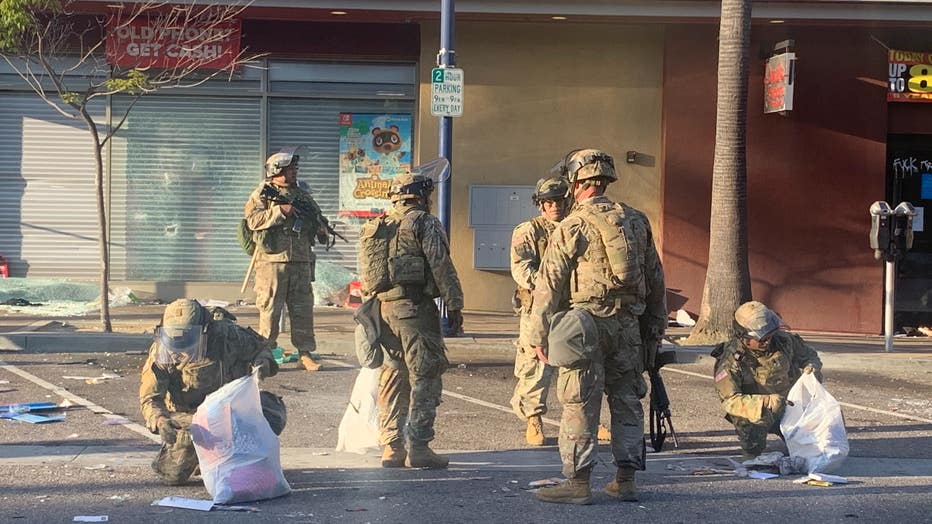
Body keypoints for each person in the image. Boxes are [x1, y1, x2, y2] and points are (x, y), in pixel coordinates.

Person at [528, 149, 667, 504]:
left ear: (576, 183)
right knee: (626, 402)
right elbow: (655, 279)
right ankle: (626, 480)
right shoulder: (636, 221)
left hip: (585, 325)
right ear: (605, 180)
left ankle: (577, 484)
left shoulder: (572, 225)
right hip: (628, 327)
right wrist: (654, 327)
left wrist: (536, 335)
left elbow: (549, 284)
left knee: (579, 403)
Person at [358, 170, 464, 469]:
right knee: (425, 376)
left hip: (382, 310)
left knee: (392, 375)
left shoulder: (379, 224)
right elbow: (441, 264)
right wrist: (455, 304)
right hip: (414, 310)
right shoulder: (423, 222)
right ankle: (419, 446)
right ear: (421, 196)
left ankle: (391, 446)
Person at [139, 299, 285, 485]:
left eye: (189, 338)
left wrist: (262, 364)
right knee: (173, 475)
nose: (182, 348)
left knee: (272, 412)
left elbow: (262, 350)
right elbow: (150, 398)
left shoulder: (229, 336)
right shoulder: (162, 352)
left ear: (205, 330)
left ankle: (241, 457)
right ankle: (203, 456)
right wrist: (160, 421)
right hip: (195, 421)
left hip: (233, 413)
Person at [244, 149, 329, 372]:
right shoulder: (263, 193)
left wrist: (321, 228)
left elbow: (318, 216)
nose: (294, 173)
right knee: (270, 309)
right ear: (277, 171)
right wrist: (281, 211)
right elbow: (253, 220)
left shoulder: (302, 195)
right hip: (273, 261)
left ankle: (305, 353)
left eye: (295, 169)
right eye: (290, 169)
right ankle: (264, 353)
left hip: (301, 260)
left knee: (303, 309)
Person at [712, 300, 823, 460]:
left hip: (792, 405)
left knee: (814, 447)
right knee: (753, 441)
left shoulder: (784, 341)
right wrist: (765, 402)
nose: (768, 341)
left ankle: (798, 440)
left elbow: (810, 356)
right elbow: (730, 401)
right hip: (760, 410)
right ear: (745, 337)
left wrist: (811, 367)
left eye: (770, 335)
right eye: (762, 338)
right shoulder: (730, 361)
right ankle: (753, 449)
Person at [509, 176, 569, 446]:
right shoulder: (529, 230)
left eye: (559, 200)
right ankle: (533, 418)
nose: (555, 206)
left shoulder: (576, 226)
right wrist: (548, 286)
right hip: (538, 308)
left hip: (572, 307)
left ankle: (587, 419)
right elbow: (521, 267)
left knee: (580, 365)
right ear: (540, 204)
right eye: (549, 202)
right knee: (535, 366)